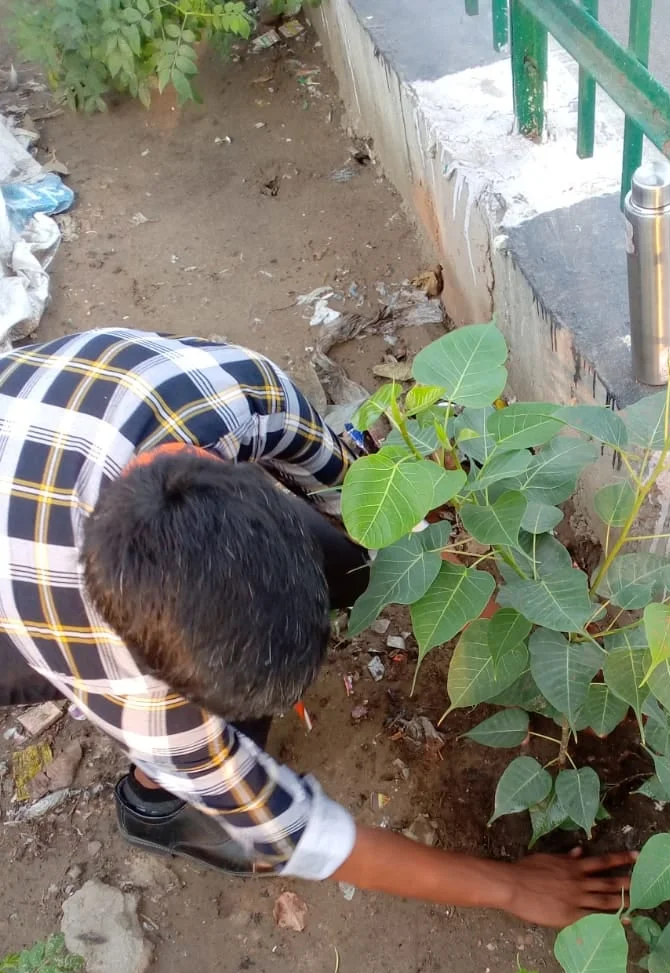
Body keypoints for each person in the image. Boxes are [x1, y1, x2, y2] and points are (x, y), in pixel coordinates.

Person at [0, 328, 634, 927]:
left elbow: (352, 492)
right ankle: (159, 808)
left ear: (235, 479)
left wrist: (480, 588)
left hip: (53, 427)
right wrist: (513, 887)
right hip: (18, 590)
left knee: (344, 554)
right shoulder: (119, 676)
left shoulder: (241, 394)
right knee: (220, 741)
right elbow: (298, 834)